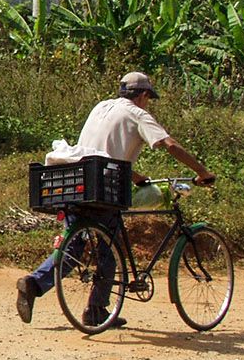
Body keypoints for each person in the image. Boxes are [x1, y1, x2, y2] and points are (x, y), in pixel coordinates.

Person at [16, 71, 216, 328]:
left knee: (74, 247)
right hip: (104, 189)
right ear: (143, 95)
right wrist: (202, 172)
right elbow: (169, 144)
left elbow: (100, 151)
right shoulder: (137, 114)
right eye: (148, 98)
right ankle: (96, 310)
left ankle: (33, 283)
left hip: (79, 182)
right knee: (110, 249)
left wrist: (134, 176)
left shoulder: (101, 107)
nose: (148, 102)